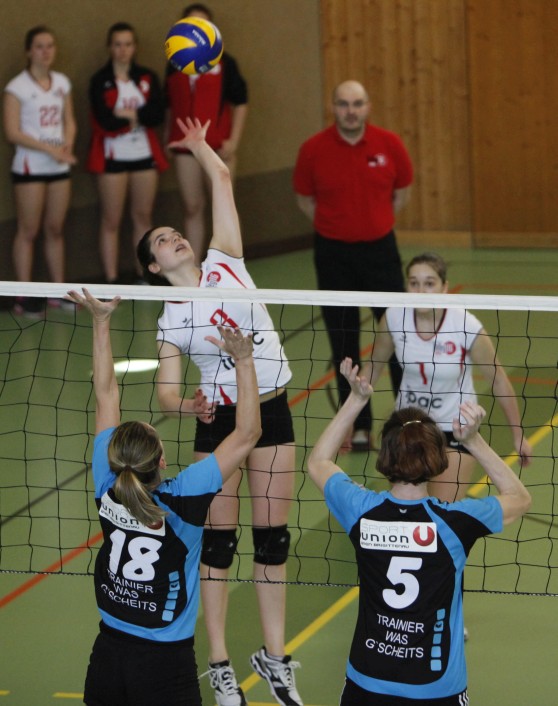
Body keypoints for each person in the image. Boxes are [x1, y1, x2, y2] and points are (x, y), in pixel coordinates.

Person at [137, 118, 302, 706]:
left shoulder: (225, 260)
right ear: (153, 267)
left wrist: (200, 144)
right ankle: (220, 662)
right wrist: (191, 404)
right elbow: (166, 392)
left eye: (175, 232)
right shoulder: (171, 319)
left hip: (273, 408)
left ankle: (276, 659)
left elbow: (223, 179)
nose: (175, 238)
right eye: (162, 240)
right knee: (218, 547)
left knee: (273, 540)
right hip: (221, 426)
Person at [66, 286, 261, 706]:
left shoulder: (107, 480)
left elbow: (105, 395)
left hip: (108, 656)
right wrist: (244, 361)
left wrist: (100, 322)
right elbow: (248, 434)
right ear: (162, 461)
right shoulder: (185, 497)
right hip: (165, 664)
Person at [307, 358, 531, 705]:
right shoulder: (456, 522)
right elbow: (519, 498)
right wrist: (472, 441)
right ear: (437, 459)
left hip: (367, 681)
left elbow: (318, 462)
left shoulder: (360, 510)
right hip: (436, 687)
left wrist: (356, 399)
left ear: (385, 457)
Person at [293, 79, 413, 452]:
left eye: (357, 103)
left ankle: (405, 421)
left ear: (368, 106)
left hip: (381, 253)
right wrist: (339, 228)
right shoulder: (312, 150)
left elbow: (401, 193)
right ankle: (357, 425)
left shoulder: (389, 144)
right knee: (343, 342)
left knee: (397, 336)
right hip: (333, 256)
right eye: (343, 104)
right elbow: (305, 200)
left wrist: (373, 225)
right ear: (333, 107)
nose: (350, 111)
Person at [366, 251, 533, 503]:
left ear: (444, 288)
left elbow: (498, 380)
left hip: (455, 428)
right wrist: (349, 418)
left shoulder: (465, 325)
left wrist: (518, 435)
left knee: (443, 512)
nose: (421, 291)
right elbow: (374, 366)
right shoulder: (393, 317)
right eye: (414, 283)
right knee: (409, 510)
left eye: (429, 283)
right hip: (408, 427)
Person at [165, 3, 248, 264]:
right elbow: (170, 105)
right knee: (192, 207)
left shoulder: (226, 63)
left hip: (217, 146)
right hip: (185, 147)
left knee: (224, 206)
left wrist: (233, 141)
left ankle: (230, 265)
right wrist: (167, 137)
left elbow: (241, 102)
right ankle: (194, 266)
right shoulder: (174, 62)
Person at [3, 25, 77, 318]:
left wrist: (66, 144)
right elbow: (12, 132)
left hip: (58, 166)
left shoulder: (61, 82)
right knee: (28, 230)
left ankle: (59, 291)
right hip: (30, 167)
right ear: (29, 51)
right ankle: (24, 295)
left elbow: (69, 121)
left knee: (55, 229)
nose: (45, 52)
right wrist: (48, 149)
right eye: (39, 46)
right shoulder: (17, 88)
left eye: (50, 46)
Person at [87, 22, 168, 285]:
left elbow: (156, 114)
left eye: (128, 44)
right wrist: (134, 118)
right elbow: (104, 120)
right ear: (110, 47)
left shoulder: (147, 77)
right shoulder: (100, 80)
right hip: (113, 157)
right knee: (111, 220)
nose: (123, 50)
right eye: (118, 44)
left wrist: (127, 115)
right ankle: (111, 279)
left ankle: (143, 274)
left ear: (135, 47)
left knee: (142, 217)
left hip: (143, 154)